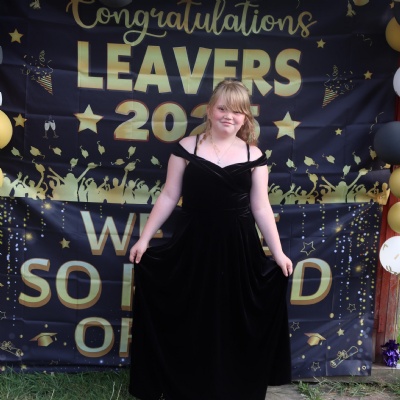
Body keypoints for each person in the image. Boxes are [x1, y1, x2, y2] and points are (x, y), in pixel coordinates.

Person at [129, 79, 293, 400]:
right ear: (209, 110)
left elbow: (261, 206)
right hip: (193, 245)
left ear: (245, 118)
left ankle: (230, 385)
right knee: (191, 315)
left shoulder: (254, 155)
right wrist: (144, 239)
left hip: (238, 249)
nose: (229, 116)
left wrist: (278, 252)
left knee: (231, 318)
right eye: (222, 108)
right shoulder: (186, 147)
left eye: (237, 111)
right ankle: (189, 384)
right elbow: (169, 195)